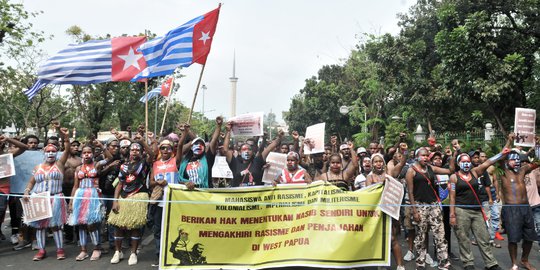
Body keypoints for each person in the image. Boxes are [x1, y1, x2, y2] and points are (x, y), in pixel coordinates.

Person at [448, 151, 504, 270]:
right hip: (461, 211)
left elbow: (488, 162)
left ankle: (491, 263)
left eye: (468, 161)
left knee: (483, 238)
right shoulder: (454, 177)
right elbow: (452, 197)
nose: (466, 164)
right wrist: (452, 215)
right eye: (463, 162)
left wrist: (502, 152)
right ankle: (468, 263)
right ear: (458, 163)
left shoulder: (475, 172)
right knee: (463, 238)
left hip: (477, 211)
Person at [22, 127, 71, 261]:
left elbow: (67, 150)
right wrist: (27, 191)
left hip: (55, 198)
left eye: (53, 151)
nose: (50, 153)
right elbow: (31, 182)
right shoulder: (38, 167)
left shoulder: (60, 164)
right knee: (40, 227)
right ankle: (41, 250)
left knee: (55, 226)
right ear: (44, 152)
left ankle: (60, 249)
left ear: (56, 153)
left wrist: (65, 137)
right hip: (40, 198)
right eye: (48, 151)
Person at [406, 147, 456, 270]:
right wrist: (414, 210)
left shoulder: (431, 168)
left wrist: (451, 156)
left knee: (440, 234)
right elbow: (410, 192)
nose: (425, 157)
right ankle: (421, 263)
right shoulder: (411, 171)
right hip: (420, 205)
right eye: (423, 155)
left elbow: (450, 170)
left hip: (434, 205)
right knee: (421, 236)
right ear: (417, 156)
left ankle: (443, 262)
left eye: (427, 155)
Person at [108, 134, 154, 265]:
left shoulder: (145, 163)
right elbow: (120, 184)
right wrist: (115, 201)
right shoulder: (123, 166)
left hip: (139, 195)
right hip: (124, 196)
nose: (135, 152)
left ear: (141, 152)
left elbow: (152, 154)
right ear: (129, 151)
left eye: (137, 150)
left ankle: (133, 253)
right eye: (133, 149)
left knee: (135, 226)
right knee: (118, 225)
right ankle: (118, 252)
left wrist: (142, 142)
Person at [499, 133, 539, 270]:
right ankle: (514, 263)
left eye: (517, 159)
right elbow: (501, 156)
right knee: (513, 238)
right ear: (507, 161)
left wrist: (537, 145)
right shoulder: (503, 172)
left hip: (526, 208)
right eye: (512, 159)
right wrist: (509, 141)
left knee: (529, 237)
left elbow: (537, 161)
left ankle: (525, 260)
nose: (515, 161)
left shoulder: (523, 170)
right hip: (511, 209)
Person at [69, 141, 111, 261]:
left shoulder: (97, 165)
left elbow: (110, 158)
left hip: (94, 195)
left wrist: (102, 146)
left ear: (93, 154)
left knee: (92, 224)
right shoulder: (78, 168)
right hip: (80, 196)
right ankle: (83, 250)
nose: (86, 155)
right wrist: (71, 202)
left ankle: (97, 248)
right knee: (81, 224)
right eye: (84, 153)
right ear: (81, 154)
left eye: (89, 152)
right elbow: (75, 186)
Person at [365, 152, 407, 270]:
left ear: (383, 163)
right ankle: (381, 265)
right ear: (372, 164)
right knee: (379, 238)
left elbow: (402, 163)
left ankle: (400, 265)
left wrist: (404, 152)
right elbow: (368, 193)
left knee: (393, 238)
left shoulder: (389, 173)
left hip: (390, 211)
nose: (378, 164)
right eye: (375, 161)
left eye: (380, 161)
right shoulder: (370, 177)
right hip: (377, 212)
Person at [148, 138, 183, 266]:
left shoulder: (175, 161)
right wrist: (157, 182)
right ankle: (160, 256)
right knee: (158, 230)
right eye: (162, 148)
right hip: (159, 203)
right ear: (160, 150)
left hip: (173, 202)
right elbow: (150, 182)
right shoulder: (155, 164)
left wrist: (183, 135)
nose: (165, 150)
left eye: (168, 148)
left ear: (172, 150)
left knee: (175, 229)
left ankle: (174, 256)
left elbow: (180, 148)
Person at [223, 121, 282, 187]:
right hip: (239, 196)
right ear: (239, 152)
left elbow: (269, 148)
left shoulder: (257, 161)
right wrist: (228, 131)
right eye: (244, 149)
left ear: (253, 152)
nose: (247, 151)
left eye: (249, 149)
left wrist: (279, 137)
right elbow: (225, 150)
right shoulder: (235, 163)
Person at [176, 117, 222, 189]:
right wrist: (186, 183)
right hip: (188, 195)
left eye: (201, 144)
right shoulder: (184, 162)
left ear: (205, 148)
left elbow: (213, 140)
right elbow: (180, 179)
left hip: (205, 195)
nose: (198, 145)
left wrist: (219, 126)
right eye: (196, 144)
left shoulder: (207, 159)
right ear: (191, 147)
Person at [0, 135, 28, 242]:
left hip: (3, 188)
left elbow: (24, 147)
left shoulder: (8, 155)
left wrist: (7, 139)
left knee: (1, 210)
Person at [63, 139, 82, 244]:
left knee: (78, 211)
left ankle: (79, 235)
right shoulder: (61, 159)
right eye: (73, 145)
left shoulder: (80, 160)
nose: (75, 147)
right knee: (66, 211)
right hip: (65, 188)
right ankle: (68, 235)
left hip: (77, 188)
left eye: (77, 146)